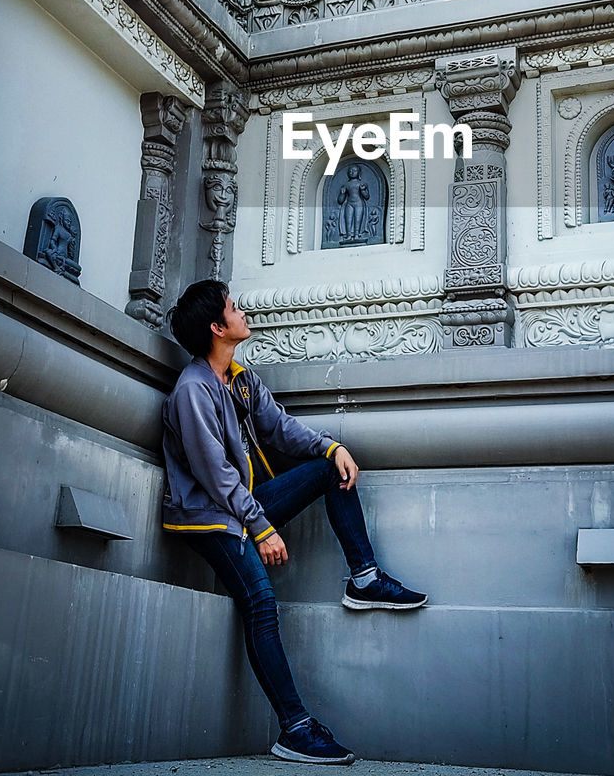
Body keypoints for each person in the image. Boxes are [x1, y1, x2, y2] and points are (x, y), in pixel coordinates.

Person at [162, 279, 427, 766]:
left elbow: (281, 428)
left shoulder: (239, 379)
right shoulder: (192, 391)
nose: (243, 312)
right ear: (218, 328)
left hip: (243, 508)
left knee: (331, 469)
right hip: (209, 521)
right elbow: (215, 477)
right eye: (234, 308)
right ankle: (296, 729)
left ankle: (365, 579)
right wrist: (260, 526)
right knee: (260, 603)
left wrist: (331, 446)